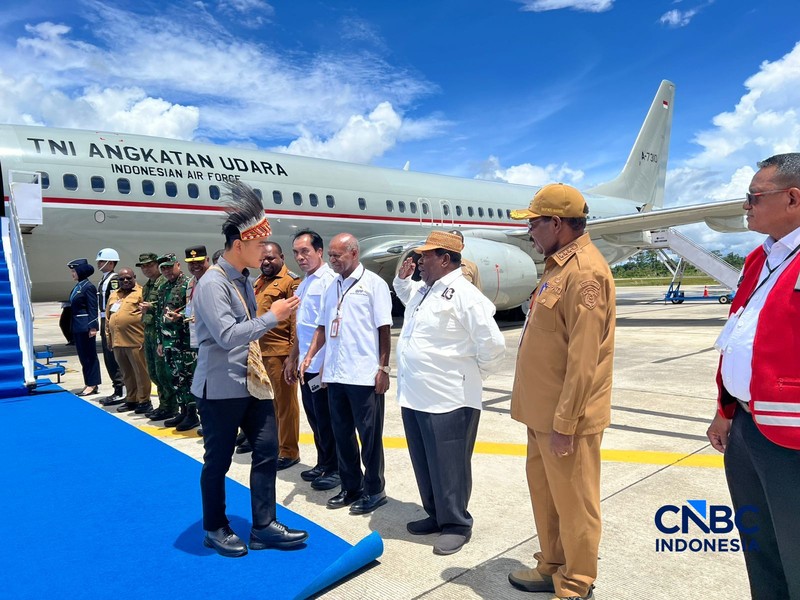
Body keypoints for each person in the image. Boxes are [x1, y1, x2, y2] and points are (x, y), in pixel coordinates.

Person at [506, 184, 615, 600]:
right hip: (542, 413)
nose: (529, 231)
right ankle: (551, 564)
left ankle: (577, 581)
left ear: (556, 223)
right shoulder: (556, 266)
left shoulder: (585, 272)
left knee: (575, 504)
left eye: (534, 223)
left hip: (567, 418)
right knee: (547, 496)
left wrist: (566, 422)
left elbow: (584, 358)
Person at [192, 181, 307, 557]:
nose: (266, 251)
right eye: (260, 245)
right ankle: (214, 526)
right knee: (218, 461)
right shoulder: (213, 282)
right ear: (239, 244)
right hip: (222, 388)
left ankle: (263, 525)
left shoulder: (242, 279)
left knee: (267, 450)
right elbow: (227, 336)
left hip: (252, 384)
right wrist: (273, 317)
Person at [706, 153, 800, 600]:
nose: (746, 205)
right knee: (760, 548)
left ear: (793, 198)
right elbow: (738, 334)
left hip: (793, 438)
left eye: (754, 196)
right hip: (746, 427)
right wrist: (725, 410)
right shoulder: (757, 260)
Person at [394, 231, 505, 555]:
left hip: (450, 398)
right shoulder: (425, 291)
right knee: (426, 462)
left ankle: (456, 523)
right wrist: (403, 280)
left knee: (450, 465)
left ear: (444, 259)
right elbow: (406, 295)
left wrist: (471, 375)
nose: (419, 262)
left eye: (425, 257)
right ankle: (436, 515)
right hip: (416, 395)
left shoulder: (465, 295)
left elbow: (493, 345)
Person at [300, 233, 393, 515]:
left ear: (354, 253)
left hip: (364, 375)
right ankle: (352, 486)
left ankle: (375, 490)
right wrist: (309, 356)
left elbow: (384, 329)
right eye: (330, 255)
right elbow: (323, 328)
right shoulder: (332, 286)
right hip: (336, 374)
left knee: (370, 438)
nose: (332, 260)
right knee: (342, 435)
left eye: (337, 255)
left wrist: (384, 369)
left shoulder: (373, 285)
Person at [284, 229, 339, 491]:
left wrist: (326, 366)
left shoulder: (329, 280)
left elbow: (329, 327)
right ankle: (324, 462)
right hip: (306, 365)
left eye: (305, 251)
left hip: (321, 366)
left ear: (319, 251)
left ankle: (337, 468)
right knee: (315, 418)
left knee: (330, 420)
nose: (300, 257)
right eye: (296, 252)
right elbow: (303, 327)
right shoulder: (305, 282)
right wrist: (293, 358)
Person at [252, 242, 302, 468]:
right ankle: (274, 444)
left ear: (281, 257)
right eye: (262, 258)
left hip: (280, 353)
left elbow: (294, 321)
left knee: (285, 405)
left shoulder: (291, 282)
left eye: (271, 258)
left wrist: (293, 356)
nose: (266, 262)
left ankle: (289, 451)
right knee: (266, 405)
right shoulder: (259, 282)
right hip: (260, 353)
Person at [156, 254, 198, 431]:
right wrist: (160, 341)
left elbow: (193, 311)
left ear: (178, 265)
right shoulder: (164, 287)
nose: (166, 271)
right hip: (169, 342)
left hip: (185, 341)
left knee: (189, 377)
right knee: (175, 377)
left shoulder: (188, 285)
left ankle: (192, 413)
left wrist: (180, 318)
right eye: (163, 268)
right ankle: (182, 409)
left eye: (169, 267)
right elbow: (160, 315)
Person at [106, 268, 152, 414]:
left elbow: (148, 315)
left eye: (128, 278)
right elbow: (108, 317)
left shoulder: (141, 293)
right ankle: (131, 399)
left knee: (141, 373)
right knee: (126, 373)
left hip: (135, 341)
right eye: (122, 279)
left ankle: (144, 401)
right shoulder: (114, 295)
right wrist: (109, 337)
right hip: (118, 342)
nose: (125, 281)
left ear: (134, 278)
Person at [135, 252, 173, 421]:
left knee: (163, 372)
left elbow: (167, 304)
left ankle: (170, 406)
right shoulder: (148, 285)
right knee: (153, 373)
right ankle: (163, 405)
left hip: (160, 333)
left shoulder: (163, 283)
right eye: (143, 266)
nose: (146, 269)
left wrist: (152, 306)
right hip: (149, 333)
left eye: (149, 265)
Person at [96, 248, 125, 405]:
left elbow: (116, 302)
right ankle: (117, 387)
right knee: (108, 356)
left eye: (102, 261)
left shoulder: (114, 280)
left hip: (110, 319)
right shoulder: (104, 278)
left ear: (111, 263)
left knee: (114, 356)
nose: (99, 264)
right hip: (103, 318)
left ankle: (121, 389)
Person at [69, 259, 101, 397]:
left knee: (89, 356)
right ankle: (88, 382)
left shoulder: (88, 287)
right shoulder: (79, 286)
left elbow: (93, 307)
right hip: (78, 326)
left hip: (86, 326)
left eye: (74, 271)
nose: (72, 274)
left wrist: (93, 326)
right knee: (83, 357)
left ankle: (92, 384)